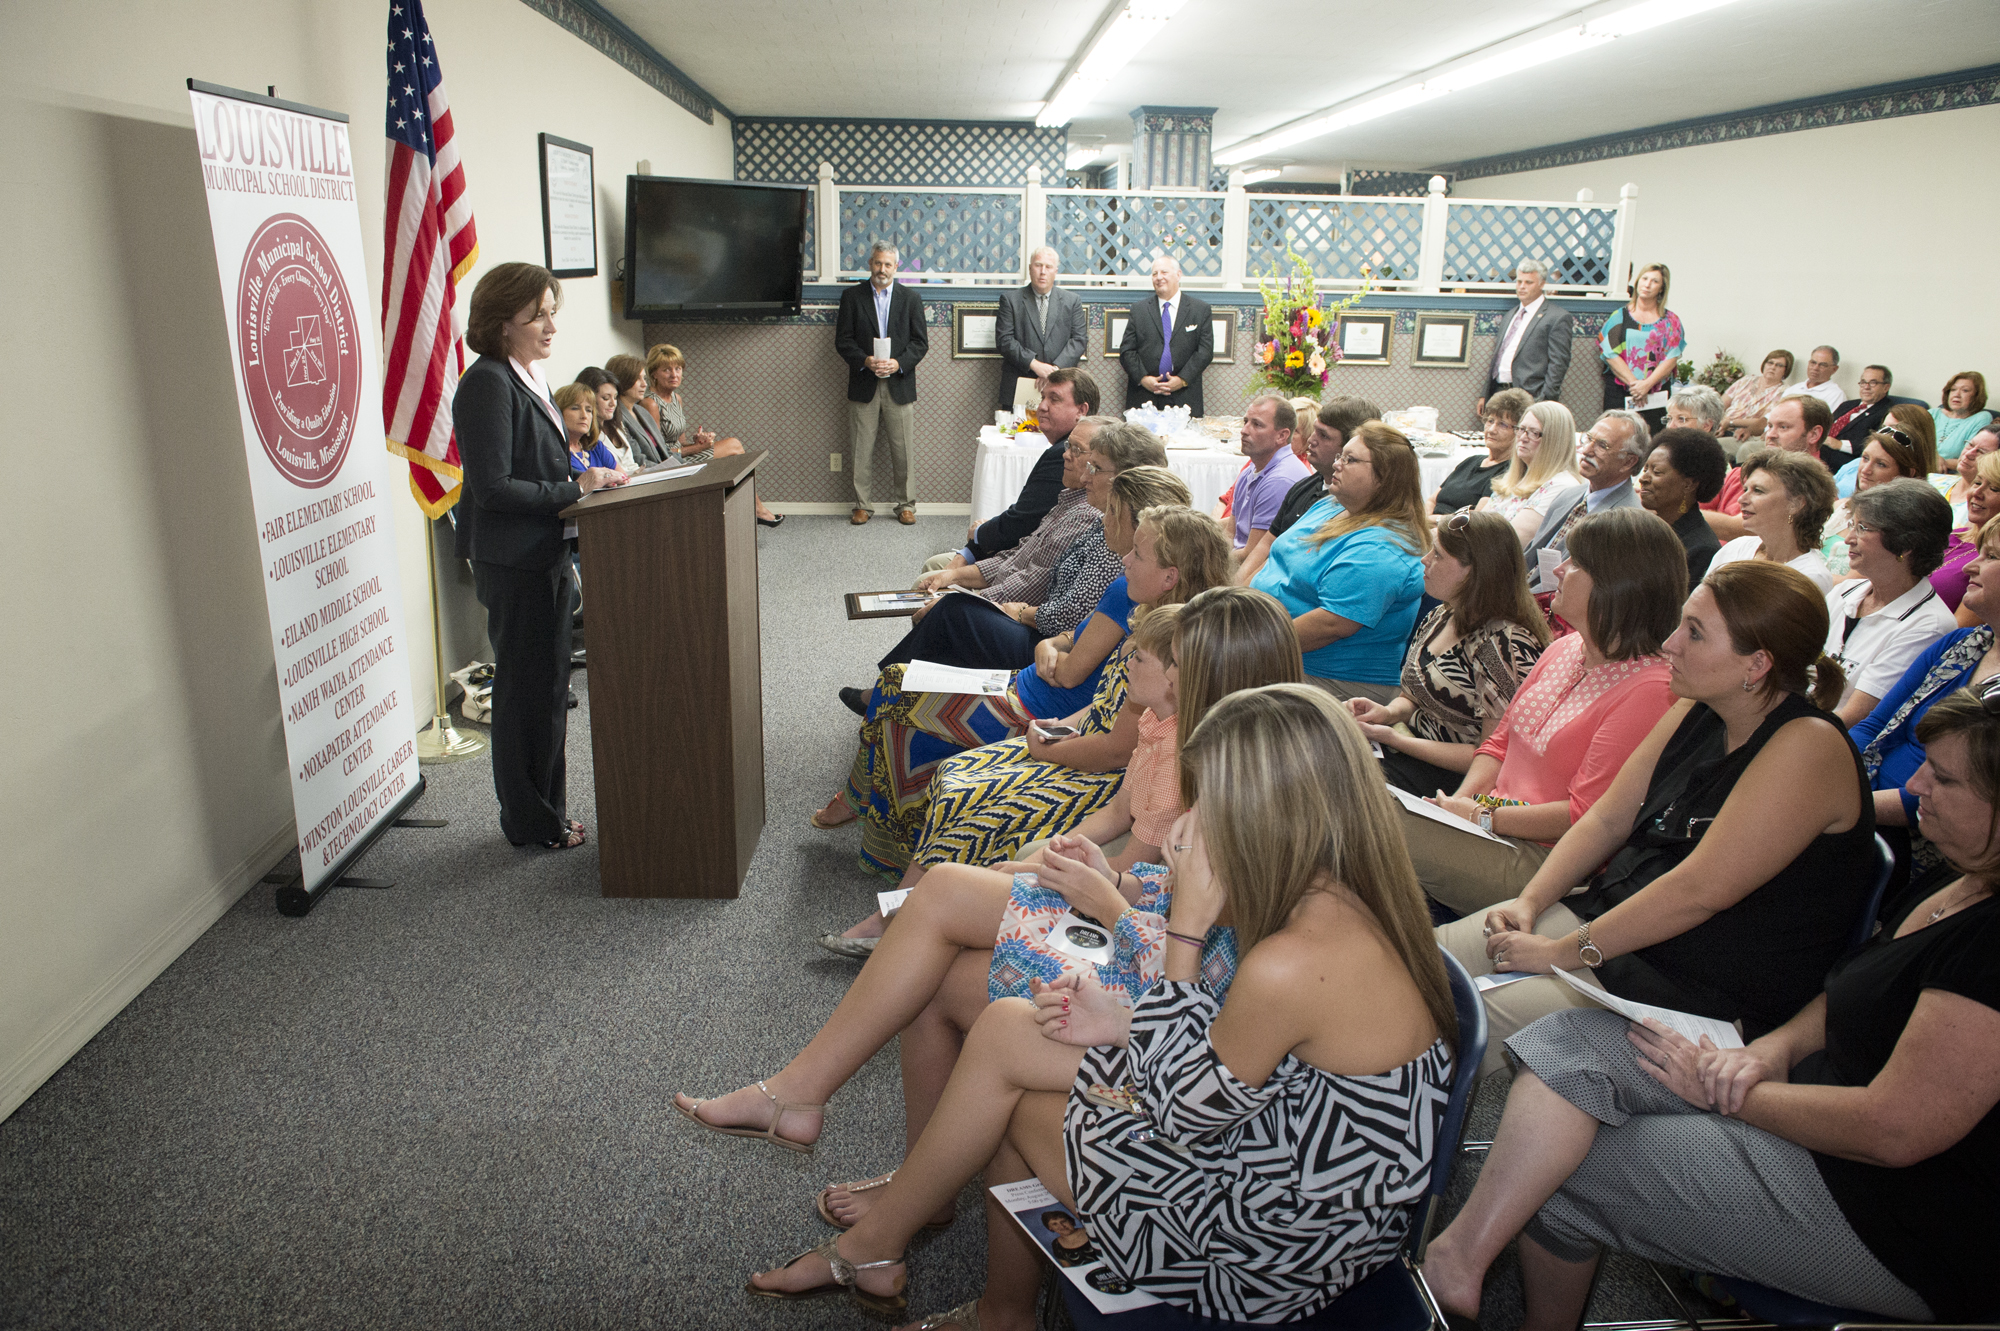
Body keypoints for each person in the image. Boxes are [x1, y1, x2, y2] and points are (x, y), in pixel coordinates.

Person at [740, 685, 1458, 1329]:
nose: (1195, 822)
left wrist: (1187, 924)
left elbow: (1184, 1108)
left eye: (1212, 803)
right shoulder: (1352, 898)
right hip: (1281, 1156)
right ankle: (930, 1275)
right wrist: (1124, 1021)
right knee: (1007, 1033)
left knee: (1006, 1096)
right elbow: (1253, 1064)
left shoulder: (1291, 960)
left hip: (1266, 1246)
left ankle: (938, 1282)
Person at [1420, 682, 2000, 1327]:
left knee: (1556, 1170)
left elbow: (1894, 1131)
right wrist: (1774, 1051)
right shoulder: (1962, 878)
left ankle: (1476, 1273)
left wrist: (1735, 1094)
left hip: (1893, 1211)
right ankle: (1460, 1261)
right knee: (1569, 1041)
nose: (1915, 786)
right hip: (1812, 1095)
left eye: (1944, 778)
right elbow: (1849, 991)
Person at [678, 590, 1300, 1186]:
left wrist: (1105, 890)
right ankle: (881, 1154)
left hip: (1154, 977)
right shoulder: (1206, 752)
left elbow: (1193, 954)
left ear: (1204, 677)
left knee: (944, 912)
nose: (1139, 659)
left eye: (1168, 657)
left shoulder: (1233, 788)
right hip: (1142, 932)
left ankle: (805, 1100)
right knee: (939, 943)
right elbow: (1152, 868)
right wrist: (1099, 874)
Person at [1431, 558, 1870, 1076]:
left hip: (1689, 987)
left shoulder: (1807, 747)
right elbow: (1605, 821)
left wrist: (1559, 952)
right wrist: (1529, 903)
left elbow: (1695, 893)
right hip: (1615, 932)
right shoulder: (1698, 706)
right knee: (1412, 965)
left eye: (1695, 633)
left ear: (1757, 665)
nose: (1669, 644)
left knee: (1439, 1018)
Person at [821, 473, 1205, 886]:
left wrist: (1040, 642)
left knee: (911, 676)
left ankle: (871, 822)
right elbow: (1067, 635)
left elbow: (1088, 695)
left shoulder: (1148, 622)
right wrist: (1051, 645)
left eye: (1115, 515)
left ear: (1167, 574)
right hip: (1036, 692)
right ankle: (875, 825)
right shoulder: (1136, 599)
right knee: (899, 684)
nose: (1107, 524)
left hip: (1038, 705)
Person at [1406, 508, 1684, 915]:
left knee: (1375, 825)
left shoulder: (1651, 690)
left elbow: (1583, 816)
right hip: (1488, 824)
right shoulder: (1565, 648)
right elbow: (1498, 744)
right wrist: (1457, 808)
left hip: (1541, 861)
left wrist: (1483, 817)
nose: (1557, 570)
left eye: (1576, 564)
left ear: (1616, 586)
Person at [451, 263, 623, 850]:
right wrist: (577, 489)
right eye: (538, 315)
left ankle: (549, 812)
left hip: (546, 554)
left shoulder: (528, 376)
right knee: (524, 696)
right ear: (504, 324)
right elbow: (493, 486)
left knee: (549, 690)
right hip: (513, 562)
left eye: (553, 311)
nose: (551, 325)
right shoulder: (486, 385)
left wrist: (592, 479)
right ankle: (528, 821)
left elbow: (544, 467)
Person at [850, 425, 1162, 704]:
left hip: (1047, 640)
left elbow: (1070, 610)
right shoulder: (1101, 520)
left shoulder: (1113, 536)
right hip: (1049, 634)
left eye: (1094, 466)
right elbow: (1025, 560)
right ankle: (895, 696)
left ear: (1124, 478)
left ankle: (885, 694)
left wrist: (1020, 612)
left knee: (954, 613)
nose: (1085, 474)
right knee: (954, 615)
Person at [1350, 511, 1550, 796]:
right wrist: (1386, 713)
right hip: (1410, 748)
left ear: (1475, 571)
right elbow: (1414, 697)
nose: (1425, 559)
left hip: (1452, 781)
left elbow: (1491, 758)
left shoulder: (1504, 646)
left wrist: (1395, 738)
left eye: (1439, 555)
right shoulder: (1443, 614)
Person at [1852, 524, 2000, 872]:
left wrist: (1844, 805)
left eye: (1991, 556)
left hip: (1928, 843)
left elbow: (1956, 794)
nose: (1968, 567)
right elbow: (1874, 724)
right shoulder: (1960, 644)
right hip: (1862, 800)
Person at [1250, 420, 1431, 702]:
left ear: (1385, 477)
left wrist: (1246, 645)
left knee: (1199, 674)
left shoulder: (1384, 546)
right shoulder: (1332, 505)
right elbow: (1275, 558)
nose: (1337, 465)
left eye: (1350, 459)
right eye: (1340, 456)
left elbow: (1331, 625)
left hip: (1329, 678)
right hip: (1275, 645)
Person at [924, 370, 1100, 577]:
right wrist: (970, 549)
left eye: (1054, 399)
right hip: (1023, 555)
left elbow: (1023, 522)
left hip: (1023, 566)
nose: (1042, 406)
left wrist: (978, 535)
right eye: (1043, 397)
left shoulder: (1063, 454)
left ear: (1081, 410)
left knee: (929, 574)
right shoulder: (1066, 448)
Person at [1824, 480, 1956, 727]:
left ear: (1905, 544)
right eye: (1852, 525)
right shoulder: (1844, 592)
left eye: (1862, 528)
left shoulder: (1929, 624)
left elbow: (1854, 717)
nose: (1848, 539)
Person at [637, 342, 782, 525]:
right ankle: (756, 510)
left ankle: (746, 511)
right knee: (734, 446)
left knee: (734, 453)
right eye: (667, 370)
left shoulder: (676, 398)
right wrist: (699, 449)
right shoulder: (651, 404)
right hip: (669, 465)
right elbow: (660, 454)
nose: (674, 375)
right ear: (653, 374)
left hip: (681, 455)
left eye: (678, 368)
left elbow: (680, 443)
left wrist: (697, 443)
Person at [835, 241, 928, 525]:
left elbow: (920, 343)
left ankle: (905, 505)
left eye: (888, 264)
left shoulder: (911, 298)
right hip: (864, 382)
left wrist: (898, 363)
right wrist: (865, 360)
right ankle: (862, 505)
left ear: (896, 267)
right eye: (877, 263)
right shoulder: (852, 297)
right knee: (860, 449)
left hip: (900, 385)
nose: (882, 269)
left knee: (903, 452)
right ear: (870, 264)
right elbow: (843, 341)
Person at [1252, 395, 1381, 578]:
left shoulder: (1349, 504)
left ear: (1351, 445)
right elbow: (1266, 548)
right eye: (1314, 431)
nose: (1311, 440)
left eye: (1324, 436)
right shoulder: (1303, 487)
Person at [1525, 410, 1648, 593]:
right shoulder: (1568, 495)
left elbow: (1580, 592)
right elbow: (1529, 559)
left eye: (1602, 445)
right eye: (1588, 438)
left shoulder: (1626, 522)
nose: (1587, 450)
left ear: (1629, 462)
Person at [1709, 448, 1839, 593]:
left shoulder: (1811, 576)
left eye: (1758, 490)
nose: (1742, 499)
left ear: (1796, 504)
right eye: (1746, 490)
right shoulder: (1736, 547)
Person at [1823, 425, 1936, 574]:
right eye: (1865, 458)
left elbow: (1852, 583)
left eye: (1881, 464)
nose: (1865, 469)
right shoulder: (1840, 506)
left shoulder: (1898, 530)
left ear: (1907, 474)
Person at [1480, 400, 1584, 548]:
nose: (1523, 437)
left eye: (1534, 433)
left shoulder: (1562, 485)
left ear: (1554, 440)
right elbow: (1477, 525)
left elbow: (1512, 542)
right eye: (1521, 429)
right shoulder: (1515, 478)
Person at [1477, 258, 1573, 417]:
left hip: (1530, 396)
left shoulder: (1557, 317)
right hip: (1499, 391)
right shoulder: (1510, 315)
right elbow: (1498, 357)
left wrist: (1545, 400)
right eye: (1519, 281)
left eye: (1528, 282)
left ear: (1542, 284)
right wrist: (1485, 393)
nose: (1522, 287)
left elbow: (1559, 364)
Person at [1118, 255, 1213, 415]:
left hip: (1184, 396)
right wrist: (1143, 379)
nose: (1159, 277)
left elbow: (1205, 352)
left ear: (1178, 274)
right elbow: (1127, 351)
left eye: (1164, 272)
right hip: (1144, 396)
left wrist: (1182, 380)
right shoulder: (1139, 310)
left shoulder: (1200, 310)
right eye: (1154, 274)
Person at [1224, 394, 1310, 571]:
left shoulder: (1280, 480)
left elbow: (1253, 554)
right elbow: (1230, 533)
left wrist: (1203, 564)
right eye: (1245, 421)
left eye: (1256, 424)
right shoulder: (1252, 468)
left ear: (1282, 436)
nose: (1244, 430)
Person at [995, 246, 1086, 411]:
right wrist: (1035, 365)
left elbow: (1079, 340)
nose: (1043, 271)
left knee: (1059, 435)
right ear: (1030, 269)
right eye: (1038, 265)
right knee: (1016, 435)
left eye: (1048, 266)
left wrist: (1054, 371)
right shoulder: (1010, 300)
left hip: (1061, 385)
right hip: (1020, 384)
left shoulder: (1072, 301)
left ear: (1055, 271)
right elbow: (1004, 341)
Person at [1636, 427, 1728, 584]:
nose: (1643, 479)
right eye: (1645, 469)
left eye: (1656, 472)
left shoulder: (1702, 550)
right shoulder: (1644, 530)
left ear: (1688, 484)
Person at [1597, 262, 1682, 430]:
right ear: (1637, 282)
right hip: (1620, 392)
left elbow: (1672, 357)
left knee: (1651, 440)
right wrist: (1635, 384)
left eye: (1655, 281)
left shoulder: (1671, 321)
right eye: (1644, 278)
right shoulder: (1619, 317)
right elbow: (1609, 353)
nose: (1647, 284)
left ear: (1662, 288)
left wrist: (1647, 384)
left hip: (1655, 395)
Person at [1435, 389, 1532, 513]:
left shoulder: (1508, 472)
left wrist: (1434, 521)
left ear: (1519, 431)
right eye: (1490, 421)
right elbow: (1432, 500)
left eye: (1502, 424)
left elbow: (1476, 521)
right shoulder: (1471, 461)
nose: (1491, 430)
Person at [1934, 441, 2000, 610]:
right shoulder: (1953, 535)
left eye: (1993, 488)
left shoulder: (1994, 560)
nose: (1977, 493)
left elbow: (1960, 628)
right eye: (1977, 483)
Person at [1827, 364, 1924, 463]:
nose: (1866, 387)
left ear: (1886, 387)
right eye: (1863, 382)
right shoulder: (1846, 405)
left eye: (1873, 383)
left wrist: (1840, 444)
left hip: (1849, 458)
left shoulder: (1889, 413)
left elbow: (1881, 443)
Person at [1717, 347, 1795, 449]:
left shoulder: (1784, 392)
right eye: (1770, 363)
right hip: (1722, 425)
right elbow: (1720, 404)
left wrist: (1730, 422)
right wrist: (1719, 423)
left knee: (1711, 445)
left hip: (1746, 433)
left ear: (1786, 370)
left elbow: (1764, 420)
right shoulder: (1746, 380)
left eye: (1779, 365)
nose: (1773, 367)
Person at [602, 354, 666, 468]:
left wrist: (682, 465)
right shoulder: (616, 416)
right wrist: (668, 469)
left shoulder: (642, 411)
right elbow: (638, 459)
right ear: (623, 380)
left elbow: (665, 451)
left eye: (644, 378)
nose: (644, 384)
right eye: (638, 379)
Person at [572, 367, 633, 471]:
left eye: (615, 397)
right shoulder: (589, 439)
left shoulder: (617, 426)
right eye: (606, 398)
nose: (613, 403)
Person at [553, 382, 617, 476]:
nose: (584, 416)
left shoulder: (596, 447)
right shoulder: (556, 453)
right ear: (558, 413)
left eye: (588, 410)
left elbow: (623, 478)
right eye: (575, 408)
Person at [1933, 370, 1993, 461]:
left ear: (1976, 396)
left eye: (1965, 390)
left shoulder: (1981, 418)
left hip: (1952, 473)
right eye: (1953, 389)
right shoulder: (1933, 413)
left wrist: (1943, 463)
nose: (1956, 394)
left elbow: (1972, 459)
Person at [1781, 344, 1846, 412]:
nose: (1815, 368)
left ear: (1834, 369)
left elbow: (1828, 421)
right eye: (1813, 362)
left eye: (1822, 365)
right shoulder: (1793, 389)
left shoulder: (1835, 395)